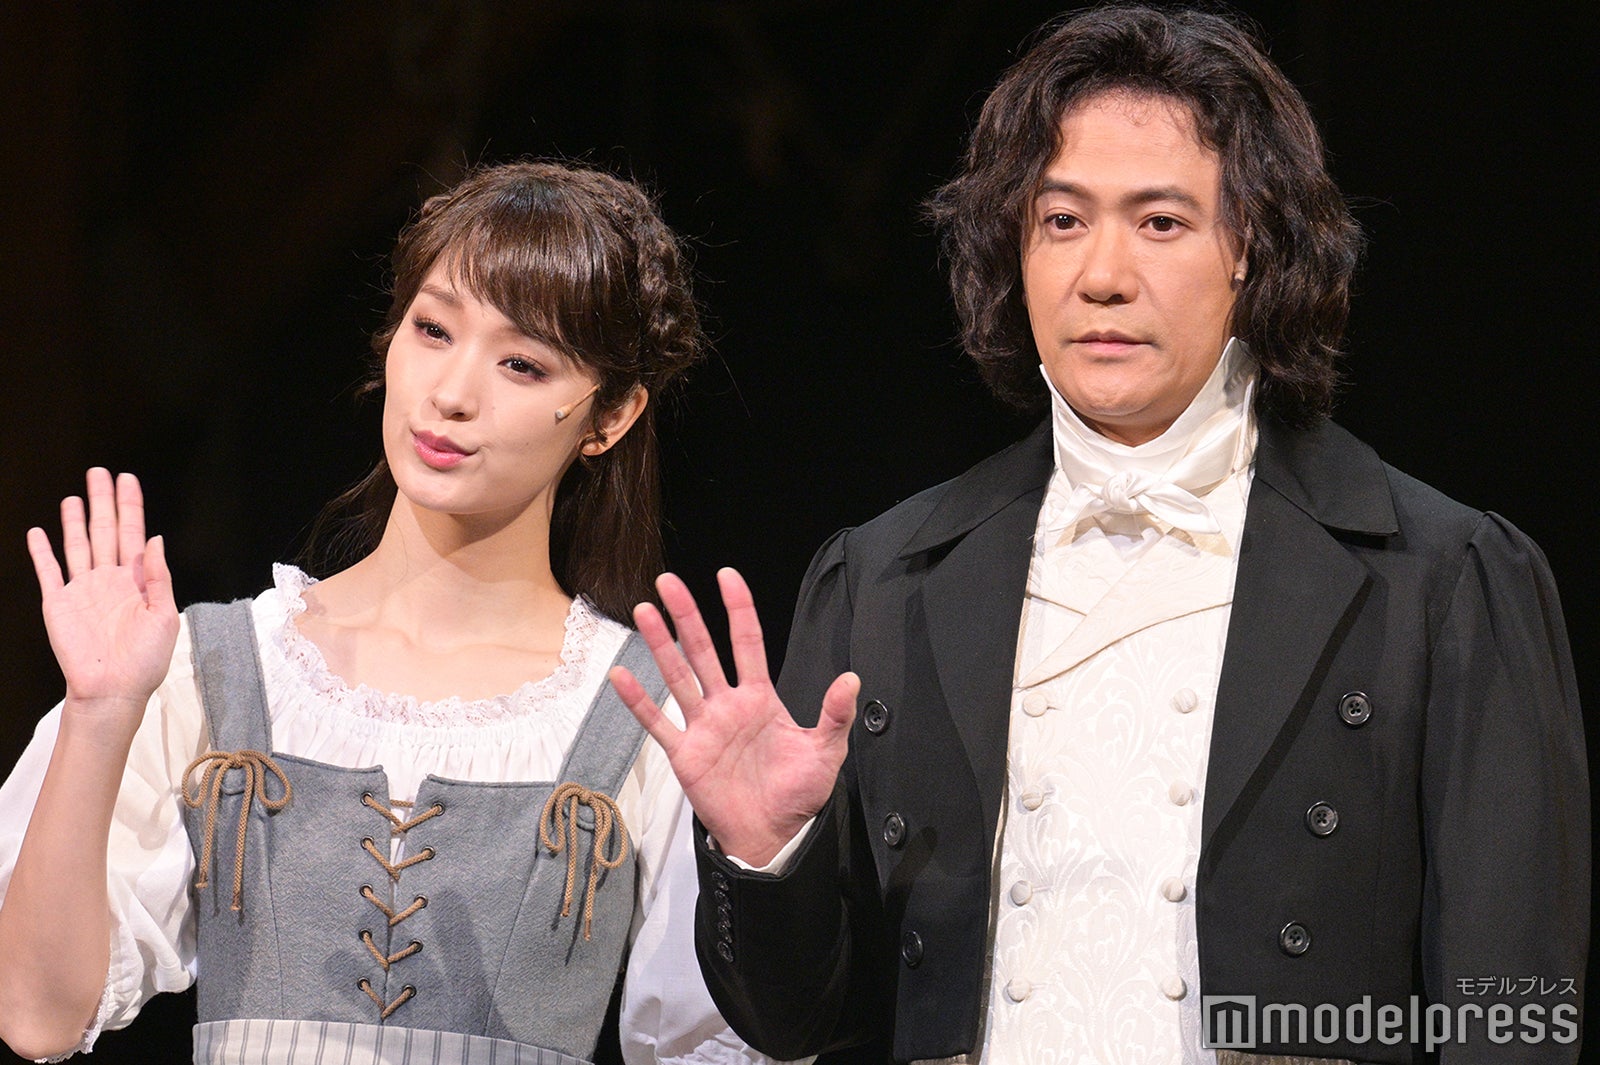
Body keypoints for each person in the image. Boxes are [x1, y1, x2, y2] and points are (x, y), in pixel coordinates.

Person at [610, 6, 1589, 1064]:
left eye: (1160, 222)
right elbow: (798, 1021)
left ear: (1252, 248)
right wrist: (765, 855)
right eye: (1062, 220)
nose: (1102, 275)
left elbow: (1513, 1011)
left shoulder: (1439, 578)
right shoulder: (884, 580)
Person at [0, 161, 795, 1065]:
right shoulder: (208, 667)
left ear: (608, 417)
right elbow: (34, 1014)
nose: (451, 393)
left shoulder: (645, 713)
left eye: (522, 363)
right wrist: (101, 713)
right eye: (433, 329)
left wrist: (763, 864)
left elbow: (724, 1045)